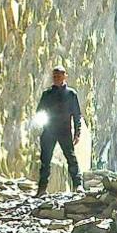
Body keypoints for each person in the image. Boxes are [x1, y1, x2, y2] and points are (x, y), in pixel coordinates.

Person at [34, 65, 83, 196]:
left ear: (65, 76)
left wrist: (77, 132)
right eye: (54, 76)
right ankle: (42, 189)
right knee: (45, 160)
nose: (56, 78)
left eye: (59, 76)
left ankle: (78, 185)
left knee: (71, 158)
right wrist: (41, 124)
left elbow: (77, 115)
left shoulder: (71, 94)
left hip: (64, 131)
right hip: (49, 130)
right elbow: (39, 111)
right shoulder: (47, 94)